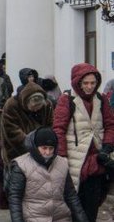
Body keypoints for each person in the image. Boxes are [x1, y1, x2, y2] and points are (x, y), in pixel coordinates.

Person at [52, 63, 114, 221]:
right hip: (75, 160)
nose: (89, 87)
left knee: (92, 205)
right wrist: (62, 156)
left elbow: (110, 125)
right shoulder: (66, 100)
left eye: (93, 83)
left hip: (97, 160)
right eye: (85, 83)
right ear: (77, 82)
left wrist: (107, 147)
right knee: (74, 206)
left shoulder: (101, 99)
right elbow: (58, 129)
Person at [7, 127, 88, 222]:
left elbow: (71, 195)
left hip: (61, 217)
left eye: (51, 148)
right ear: (35, 146)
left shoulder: (62, 163)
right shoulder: (21, 165)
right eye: (44, 148)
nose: (48, 152)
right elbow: (15, 198)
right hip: (33, 218)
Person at [0, 81, 53, 164]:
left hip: (42, 151)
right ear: (26, 103)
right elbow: (12, 131)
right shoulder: (11, 105)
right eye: (34, 107)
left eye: (39, 107)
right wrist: (33, 147)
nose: (36, 110)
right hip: (17, 152)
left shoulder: (46, 105)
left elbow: (50, 125)